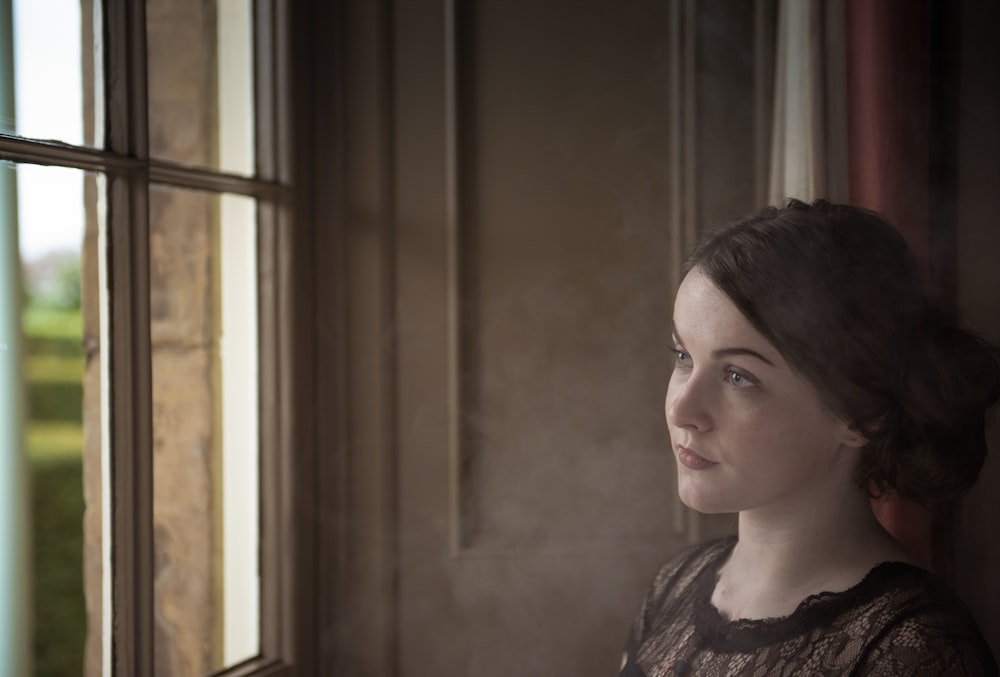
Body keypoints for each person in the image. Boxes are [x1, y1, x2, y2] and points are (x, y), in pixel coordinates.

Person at [619, 200, 1000, 676]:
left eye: (738, 377)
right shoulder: (674, 584)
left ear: (861, 416)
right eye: (683, 357)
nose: (681, 409)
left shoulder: (912, 649)